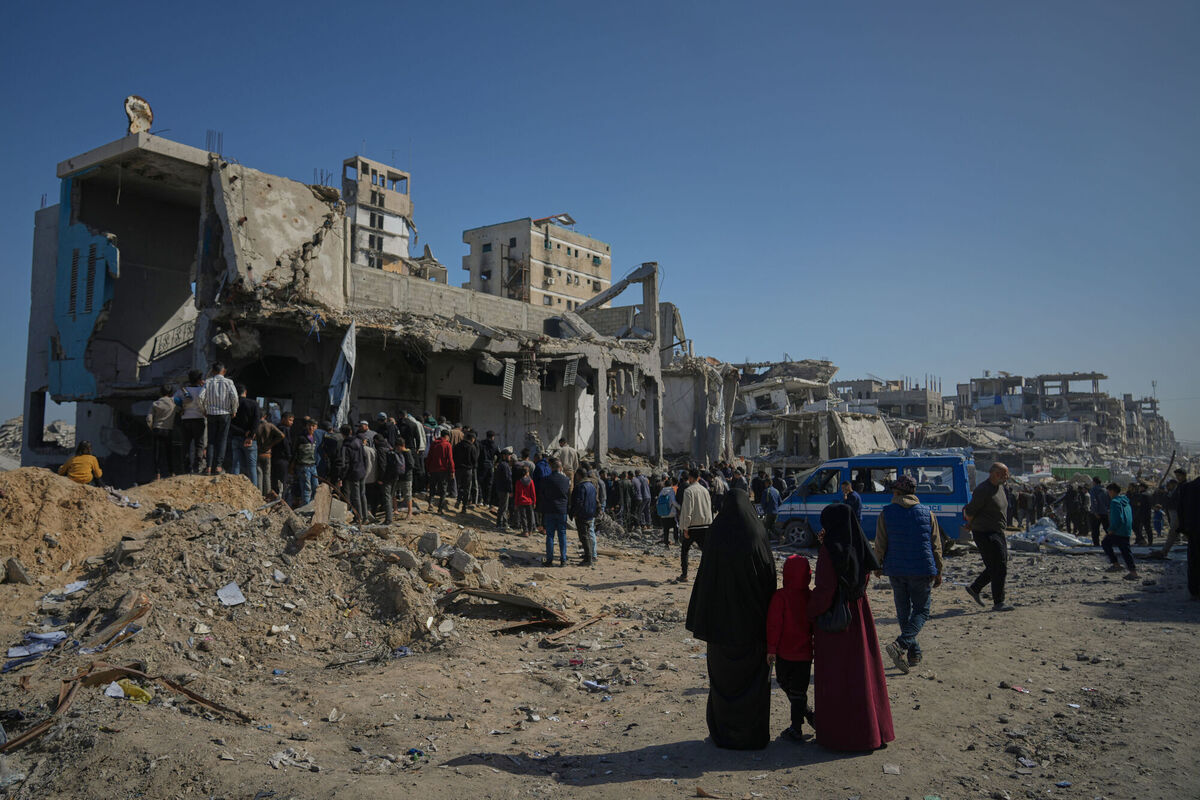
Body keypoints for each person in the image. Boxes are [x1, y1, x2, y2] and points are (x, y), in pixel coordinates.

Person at [684, 487, 777, 750]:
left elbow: (705, 578)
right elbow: (769, 577)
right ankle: (752, 735)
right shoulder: (757, 532)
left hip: (720, 627)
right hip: (753, 626)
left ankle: (724, 734)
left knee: (723, 681)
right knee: (753, 682)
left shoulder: (716, 533)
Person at [807, 503, 894, 752]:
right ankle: (873, 731)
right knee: (864, 674)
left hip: (837, 620)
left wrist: (809, 611)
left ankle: (844, 735)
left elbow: (825, 590)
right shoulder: (860, 545)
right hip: (859, 614)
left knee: (840, 678)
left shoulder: (830, 550)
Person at [874, 475, 943, 673]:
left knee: (903, 612)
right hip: (921, 569)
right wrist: (939, 570)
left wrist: (877, 565)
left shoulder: (886, 513)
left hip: (896, 569)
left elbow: (880, 544)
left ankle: (913, 652)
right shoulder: (926, 513)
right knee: (921, 610)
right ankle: (902, 645)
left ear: (896, 492)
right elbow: (936, 545)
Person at [766, 554, 814, 742]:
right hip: (804, 655)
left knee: (786, 685)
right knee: (799, 691)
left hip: (785, 654)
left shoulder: (781, 597)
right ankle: (807, 714)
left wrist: (771, 649)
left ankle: (796, 727)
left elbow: (774, 625)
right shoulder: (810, 597)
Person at [964, 462, 1014, 612]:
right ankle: (999, 602)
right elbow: (970, 510)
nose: (1007, 477)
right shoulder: (983, 490)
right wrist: (969, 524)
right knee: (999, 566)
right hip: (985, 532)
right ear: (994, 474)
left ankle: (975, 588)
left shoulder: (1000, 487)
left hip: (997, 531)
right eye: (1004, 474)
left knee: (998, 565)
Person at [199, 362, 238, 475]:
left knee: (211, 440)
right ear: (224, 371)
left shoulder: (208, 382)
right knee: (222, 440)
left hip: (211, 414)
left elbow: (200, 397)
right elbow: (234, 397)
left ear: (213, 371)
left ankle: (209, 467)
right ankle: (219, 467)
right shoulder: (229, 382)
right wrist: (234, 410)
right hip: (225, 414)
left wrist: (204, 410)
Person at [678, 468, 714, 582]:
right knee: (706, 552)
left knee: (685, 550)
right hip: (705, 525)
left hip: (693, 526)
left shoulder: (689, 491)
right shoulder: (705, 490)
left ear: (690, 478)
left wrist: (685, 527)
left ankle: (684, 575)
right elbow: (709, 508)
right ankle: (710, 574)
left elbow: (688, 510)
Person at [1102, 483, 1138, 580]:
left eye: (1109, 491)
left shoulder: (1115, 502)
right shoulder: (1125, 501)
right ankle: (1133, 572)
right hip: (1126, 529)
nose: (1108, 494)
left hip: (1118, 530)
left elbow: (1118, 518)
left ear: (1112, 491)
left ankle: (1116, 565)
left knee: (1105, 543)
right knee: (1126, 551)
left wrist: (1111, 529)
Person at [173, 370, 206, 473]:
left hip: (185, 420)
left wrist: (181, 408)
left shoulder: (182, 391)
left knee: (185, 444)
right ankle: (197, 466)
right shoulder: (202, 390)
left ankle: (186, 467)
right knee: (199, 444)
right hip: (199, 419)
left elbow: (173, 400)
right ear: (199, 380)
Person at [539, 459, 571, 567]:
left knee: (550, 536)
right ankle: (563, 560)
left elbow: (542, 494)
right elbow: (567, 494)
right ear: (560, 468)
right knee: (562, 535)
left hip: (550, 510)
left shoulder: (546, 479)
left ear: (551, 468)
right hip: (562, 510)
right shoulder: (566, 480)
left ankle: (549, 560)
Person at [1176, 473, 1200, 600]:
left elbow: (1180, 509)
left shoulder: (1187, 487)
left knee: (1194, 560)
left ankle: (1195, 591)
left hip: (1193, 530)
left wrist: (1184, 528)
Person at [229, 384, 260, 480]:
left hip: (236, 437)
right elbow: (256, 421)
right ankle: (254, 491)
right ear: (245, 392)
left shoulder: (232, 404)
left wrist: (242, 432)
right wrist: (250, 436)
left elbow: (229, 423)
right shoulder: (253, 404)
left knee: (236, 464)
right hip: (250, 440)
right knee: (252, 467)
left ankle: (234, 489)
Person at [146, 384, 177, 480]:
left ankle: (158, 474)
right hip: (168, 429)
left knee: (157, 453)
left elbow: (149, 418)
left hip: (157, 429)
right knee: (169, 451)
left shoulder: (155, 403)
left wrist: (152, 427)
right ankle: (172, 472)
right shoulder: (173, 403)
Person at [569, 468, 599, 566]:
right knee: (588, 535)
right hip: (590, 514)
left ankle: (588, 559)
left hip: (582, 515)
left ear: (579, 475)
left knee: (584, 536)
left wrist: (575, 513)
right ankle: (589, 556)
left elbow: (579, 502)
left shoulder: (581, 486)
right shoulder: (591, 485)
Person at [341, 424, 368, 523]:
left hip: (353, 473)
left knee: (355, 497)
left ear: (342, 434)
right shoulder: (358, 442)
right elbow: (364, 457)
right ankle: (365, 517)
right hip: (362, 471)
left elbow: (345, 463)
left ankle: (359, 518)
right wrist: (364, 469)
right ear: (351, 432)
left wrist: (342, 476)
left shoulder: (345, 445)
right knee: (362, 495)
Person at [425, 429, 455, 514]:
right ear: (447, 436)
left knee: (432, 487)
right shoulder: (447, 445)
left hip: (433, 470)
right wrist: (452, 471)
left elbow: (429, 457)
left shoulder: (434, 443)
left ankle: (430, 503)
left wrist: (428, 468)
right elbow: (450, 459)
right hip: (443, 470)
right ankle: (440, 509)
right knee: (443, 490)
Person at [254, 413, 284, 498]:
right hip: (267, 454)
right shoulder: (270, 426)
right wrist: (271, 445)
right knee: (267, 475)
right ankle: (268, 495)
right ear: (265, 416)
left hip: (258, 453)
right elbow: (282, 435)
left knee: (259, 474)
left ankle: (259, 495)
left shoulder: (256, 426)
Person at [293, 420, 319, 505]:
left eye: (313, 426)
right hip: (304, 467)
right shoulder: (301, 438)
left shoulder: (315, 437)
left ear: (316, 427)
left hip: (313, 466)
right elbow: (295, 451)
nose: (311, 428)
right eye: (309, 425)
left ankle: (313, 506)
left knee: (316, 487)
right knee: (307, 489)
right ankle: (306, 508)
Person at [453, 432, 479, 511]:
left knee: (459, 486)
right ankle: (464, 506)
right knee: (467, 488)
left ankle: (458, 500)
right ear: (472, 439)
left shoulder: (457, 446)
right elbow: (474, 460)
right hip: (468, 470)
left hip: (458, 469)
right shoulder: (472, 447)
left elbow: (453, 456)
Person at [395, 437, 416, 519]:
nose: (397, 448)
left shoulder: (407, 453)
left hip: (406, 477)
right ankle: (395, 509)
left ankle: (409, 512)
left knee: (407, 495)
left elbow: (411, 465)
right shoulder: (397, 452)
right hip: (398, 477)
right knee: (393, 493)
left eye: (398, 446)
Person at [492, 449, 513, 530]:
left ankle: (503, 523)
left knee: (503, 507)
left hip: (501, 488)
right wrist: (510, 490)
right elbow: (508, 479)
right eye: (509, 455)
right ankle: (500, 524)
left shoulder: (501, 464)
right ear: (504, 456)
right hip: (504, 489)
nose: (510, 457)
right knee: (503, 507)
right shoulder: (504, 465)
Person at [657, 476, 681, 546]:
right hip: (671, 513)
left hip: (663, 513)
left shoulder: (661, 491)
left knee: (666, 529)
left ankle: (666, 543)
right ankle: (676, 540)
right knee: (675, 527)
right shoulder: (671, 491)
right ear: (671, 484)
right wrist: (679, 507)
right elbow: (673, 501)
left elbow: (658, 502)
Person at [477, 431, 499, 510]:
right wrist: (495, 463)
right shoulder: (495, 445)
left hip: (481, 465)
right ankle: (487, 502)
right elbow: (499, 455)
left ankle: (480, 500)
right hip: (490, 466)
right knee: (489, 484)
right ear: (493, 437)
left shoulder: (481, 443)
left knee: (480, 482)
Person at [514, 464, 537, 536]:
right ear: (527, 473)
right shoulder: (531, 481)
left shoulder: (518, 482)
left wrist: (516, 503)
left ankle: (525, 531)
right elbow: (533, 493)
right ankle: (530, 531)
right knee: (530, 516)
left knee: (523, 517)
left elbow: (517, 494)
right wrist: (534, 502)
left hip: (521, 501)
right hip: (529, 502)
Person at [1088, 476, 1110, 547]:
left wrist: (1095, 512)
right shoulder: (1105, 490)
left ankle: (1096, 544)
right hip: (1105, 512)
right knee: (1107, 528)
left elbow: (1094, 501)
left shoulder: (1093, 489)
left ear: (1094, 482)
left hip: (1097, 513)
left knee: (1095, 530)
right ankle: (1112, 542)